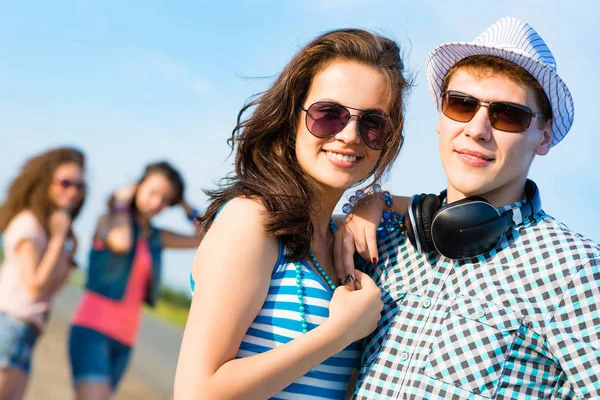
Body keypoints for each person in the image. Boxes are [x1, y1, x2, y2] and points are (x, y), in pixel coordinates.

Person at [334, 17, 600, 399]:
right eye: (461, 104)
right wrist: (375, 201)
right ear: (440, 119)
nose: (476, 129)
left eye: (508, 115)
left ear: (543, 135)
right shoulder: (383, 240)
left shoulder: (576, 269)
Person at [173, 28, 412, 399]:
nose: (349, 135)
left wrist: (376, 201)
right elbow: (197, 392)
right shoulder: (252, 222)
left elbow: (447, 206)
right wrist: (339, 334)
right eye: (329, 114)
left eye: (372, 123)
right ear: (293, 114)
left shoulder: (341, 239)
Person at [68, 161, 202, 400]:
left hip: (125, 339)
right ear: (137, 187)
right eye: (152, 193)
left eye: (165, 199)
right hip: (92, 329)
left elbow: (203, 236)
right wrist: (121, 202)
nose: (157, 203)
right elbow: (121, 242)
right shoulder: (108, 220)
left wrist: (183, 204)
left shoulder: (156, 237)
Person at [0, 147, 86, 400]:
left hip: (27, 330)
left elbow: (50, 289)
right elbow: (35, 287)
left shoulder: (47, 232)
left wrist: (66, 252)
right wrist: (59, 240)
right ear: (45, 182)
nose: (72, 192)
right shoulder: (29, 225)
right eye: (65, 183)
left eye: (79, 187)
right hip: (11, 324)